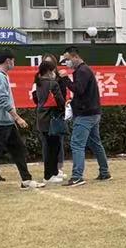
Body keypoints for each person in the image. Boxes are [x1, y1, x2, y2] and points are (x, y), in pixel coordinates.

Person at [0, 51, 45, 194]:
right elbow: (2, 100)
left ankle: (26, 180)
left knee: (18, 149)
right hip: (1, 120)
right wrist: (17, 117)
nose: (13, 63)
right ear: (8, 61)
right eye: (13, 60)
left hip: (6, 120)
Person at [62, 46, 111, 186]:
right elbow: (83, 93)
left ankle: (77, 176)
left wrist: (66, 80)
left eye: (67, 59)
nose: (66, 62)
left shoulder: (82, 71)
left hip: (85, 115)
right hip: (93, 112)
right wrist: (73, 101)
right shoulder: (84, 70)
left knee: (77, 144)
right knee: (95, 143)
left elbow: (79, 89)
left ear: (75, 57)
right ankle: (104, 172)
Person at [32, 59, 70, 184]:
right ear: (49, 71)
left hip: (41, 118)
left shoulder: (38, 83)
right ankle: (49, 175)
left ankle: (52, 173)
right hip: (52, 119)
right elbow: (60, 101)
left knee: (49, 147)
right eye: (53, 70)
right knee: (54, 148)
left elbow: (36, 99)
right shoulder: (52, 84)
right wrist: (64, 109)